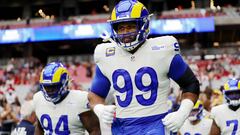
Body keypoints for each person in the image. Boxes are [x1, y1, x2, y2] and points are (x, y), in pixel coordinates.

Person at [88, 0, 200, 134]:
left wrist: (182, 112)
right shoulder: (105, 54)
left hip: (157, 124)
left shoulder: (162, 49)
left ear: (143, 25)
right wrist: (99, 109)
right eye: (121, 28)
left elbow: (190, 84)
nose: (125, 33)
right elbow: (95, 94)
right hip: (121, 127)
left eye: (130, 26)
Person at [33, 62, 100, 135]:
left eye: (53, 87)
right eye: (46, 87)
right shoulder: (38, 98)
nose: (49, 91)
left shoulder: (79, 99)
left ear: (64, 83)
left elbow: (95, 130)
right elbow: (40, 128)